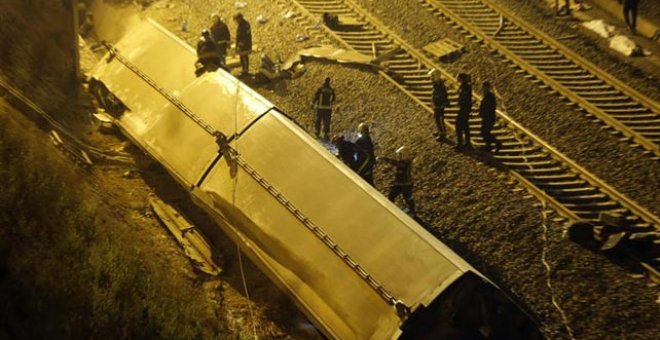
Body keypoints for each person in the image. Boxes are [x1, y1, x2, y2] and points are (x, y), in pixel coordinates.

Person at [381, 146, 415, 216]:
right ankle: (392, 209)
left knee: (408, 199)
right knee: (391, 196)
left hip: (406, 185)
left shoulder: (405, 164)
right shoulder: (402, 163)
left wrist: (386, 159)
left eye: (400, 155)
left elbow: (396, 163)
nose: (399, 157)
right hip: (398, 184)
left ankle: (412, 211)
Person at [479, 81, 502, 153]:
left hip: (489, 117)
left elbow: (490, 107)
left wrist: (484, 114)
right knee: (484, 132)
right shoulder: (487, 96)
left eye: (484, 87)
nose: (483, 89)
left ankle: (497, 143)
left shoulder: (489, 96)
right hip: (486, 117)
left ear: (487, 88)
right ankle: (489, 146)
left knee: (485, 132)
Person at [429, 69, 449, 141]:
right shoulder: (435, 85)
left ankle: (443, 134)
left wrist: (442, 105)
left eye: (432, 76)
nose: (431, 78)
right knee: (436, 119)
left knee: (440, 119)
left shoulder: (441, 86)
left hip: (440, 105)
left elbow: (443, 96)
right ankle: (439, 131)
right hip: (436, 104)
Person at [456, 73, 473, 150]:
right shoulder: (463, 87)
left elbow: (464, 99)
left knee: (459, 125)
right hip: (464, 108)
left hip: (464, 109)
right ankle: (467, 143)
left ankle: (461, 143)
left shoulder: (466, 87)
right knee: (465, 126)